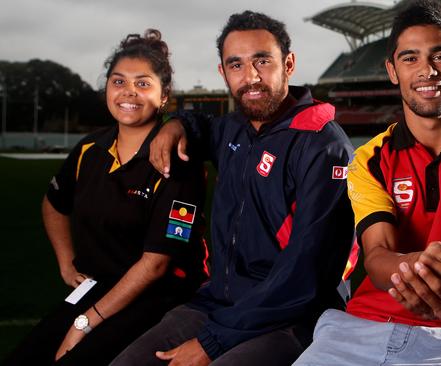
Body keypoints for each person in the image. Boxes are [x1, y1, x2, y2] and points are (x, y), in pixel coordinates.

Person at [293, 1, 441, 365]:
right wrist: (419, 267)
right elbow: (376, 258)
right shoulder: (370, 160)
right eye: (410, 58)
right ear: (392, 70)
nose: (427, 70)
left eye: (440, 56)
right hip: (362, 326)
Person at [111, 11, 355, 366]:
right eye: (236, 65)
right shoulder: (233, 129)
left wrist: (213, 342)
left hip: (292, 316)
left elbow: (308, 272)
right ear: (222, 72)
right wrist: (176, 124)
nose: (251, 77)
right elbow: (203, 125)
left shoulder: (323, 145)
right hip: (219, 303)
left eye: (262, 61)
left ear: (288, 64)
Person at [2, 29, 209, 366]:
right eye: (119, 82)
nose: (129, 92)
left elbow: (156, 265)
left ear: (164, 95)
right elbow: (54, 204)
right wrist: (67, 263)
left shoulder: (178, 160)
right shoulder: (89, 148)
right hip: (97, 288)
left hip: (158, 298)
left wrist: (83, 324)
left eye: (143, 83)